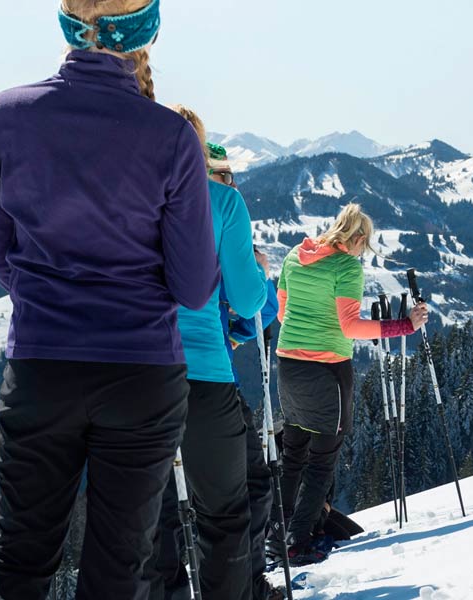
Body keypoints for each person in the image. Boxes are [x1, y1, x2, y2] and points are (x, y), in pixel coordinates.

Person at [0, 0, 219, 598]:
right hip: (141, 373)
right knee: (119, 571)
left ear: (66, 23)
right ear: (147, 32)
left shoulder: (8, 116)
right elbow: (192, 289)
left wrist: (50, 299)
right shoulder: (172, 137)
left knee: (21, 562)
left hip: (41, 366)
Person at [139, 112, 274, 600]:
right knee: (224, 516)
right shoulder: (224, 203)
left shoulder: (126, 194)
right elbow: (248, 301)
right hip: (205, 376)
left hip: (134, 375)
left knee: (151, 522)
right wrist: (260, 275)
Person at [274, 204, 429, 566]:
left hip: (287, 365)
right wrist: (405, 325)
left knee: (292, 454)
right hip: (327, 370)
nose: (364, 250)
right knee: (321, 460)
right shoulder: (346, 266)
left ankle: (275, 535)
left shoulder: (296, 255)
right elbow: (349, 327)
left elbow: (283, 313)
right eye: (366, 244)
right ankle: (297, 542)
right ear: (358, 239)